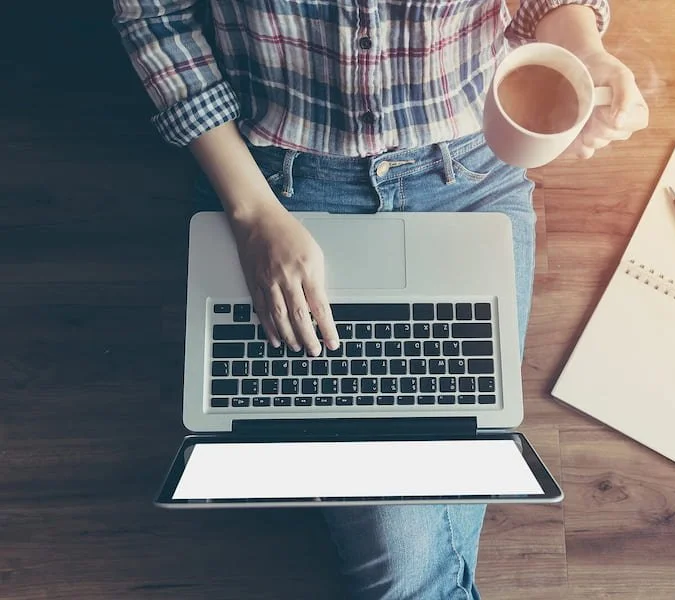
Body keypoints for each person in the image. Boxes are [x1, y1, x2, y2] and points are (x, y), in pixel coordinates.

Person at [113, 0, 647, 597]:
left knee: (406, 564)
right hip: (280, 185)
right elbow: (154, 18)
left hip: (469, 165)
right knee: (405, 563)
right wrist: (252, 212)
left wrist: (581, 50)